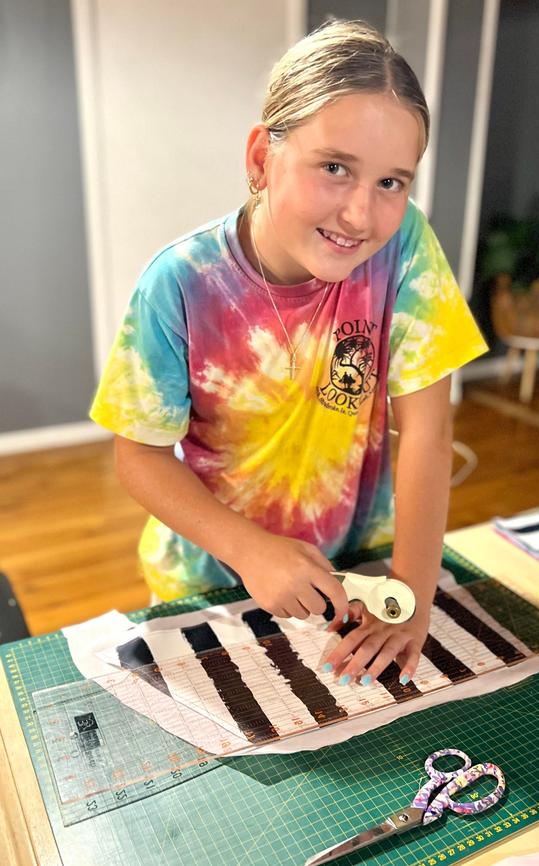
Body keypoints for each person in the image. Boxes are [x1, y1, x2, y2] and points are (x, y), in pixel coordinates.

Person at [90, 19, 487, 687]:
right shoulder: (179, 283)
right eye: (335, 168)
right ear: (259, 160)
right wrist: (250, 551)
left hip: (358, 563)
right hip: (211, 576)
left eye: (392, 182)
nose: (361, 214)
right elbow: (139, 454)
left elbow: (427, 428)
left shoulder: (404, 247)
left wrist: (410, 595)